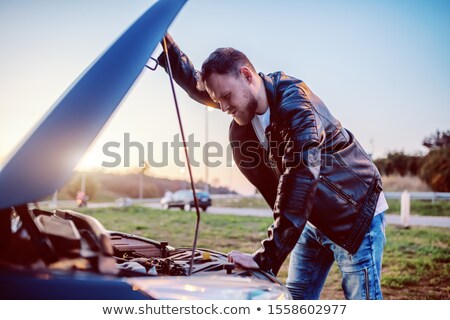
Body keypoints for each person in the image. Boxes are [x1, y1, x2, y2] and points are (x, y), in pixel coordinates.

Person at [157, 34, 388, 300]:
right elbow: (197, 85)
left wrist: (266, 258)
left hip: (354, 214)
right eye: (217, 99)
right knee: (294, 301)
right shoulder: (241, 99)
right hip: (308, 218)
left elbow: (300, 178)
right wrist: (166, 47)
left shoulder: (297, 107)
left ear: (246, 75)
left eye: (226, 97)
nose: (221, 107)